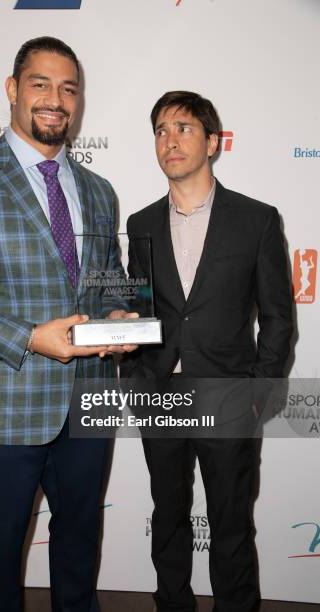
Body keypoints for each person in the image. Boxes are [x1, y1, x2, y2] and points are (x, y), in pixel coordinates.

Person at [0, 36, 135, 612]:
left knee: (81, 542)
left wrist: (118, 317)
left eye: (68, 88)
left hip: (90, 400)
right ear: (13, 90)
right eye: (40, 83)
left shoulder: (98, 191)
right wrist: (28, 338)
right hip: (6, 403)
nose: (55, 99)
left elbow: (106, 277)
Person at [121, 91, 293, 612]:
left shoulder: (256, 220)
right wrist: (133, 377)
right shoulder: (141, 223)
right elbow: (137, 305)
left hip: (228, 395)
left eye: (184, 128)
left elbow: (279, 317)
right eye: (160, 130)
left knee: (231, 522)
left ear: (213, 142)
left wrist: (259, 392)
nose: (170, 140)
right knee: (168, 518)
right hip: (160, 394)